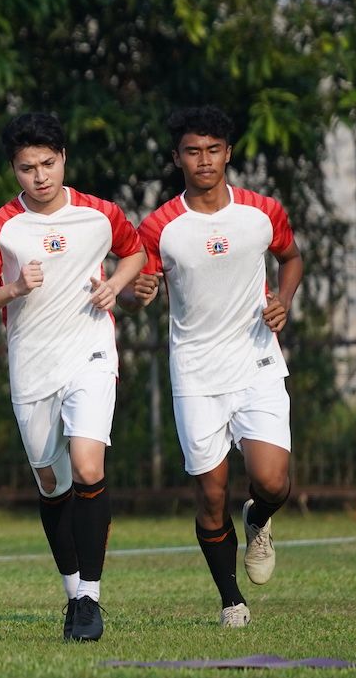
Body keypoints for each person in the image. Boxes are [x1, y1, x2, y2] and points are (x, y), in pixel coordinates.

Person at [0, 112, 145, 642]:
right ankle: (72, 594)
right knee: (52, 480)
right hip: (32, 363)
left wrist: (116, 285)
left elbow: (134, 252)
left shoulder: (100, 214)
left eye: (47, 164)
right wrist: (12, 290)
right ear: (13, 171)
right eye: (26, 168)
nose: (39, 176)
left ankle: (91, 599)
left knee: (89, 466)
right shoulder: (0, 229)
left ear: (63, 158)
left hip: (89, 353)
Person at [128, 105, 304, 627]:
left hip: (257, 363)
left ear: (227, 153)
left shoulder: (262, 211)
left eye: (212, 150)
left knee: (271, 482)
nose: (203, 160)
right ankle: (232, 600)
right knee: (210, 494)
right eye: (191, 151)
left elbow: (290, 258)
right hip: (196, 373)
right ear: (177, 157)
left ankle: (259, 518)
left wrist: (284, 301)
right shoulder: (160, 225)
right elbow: (138, 288)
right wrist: (139, 292)